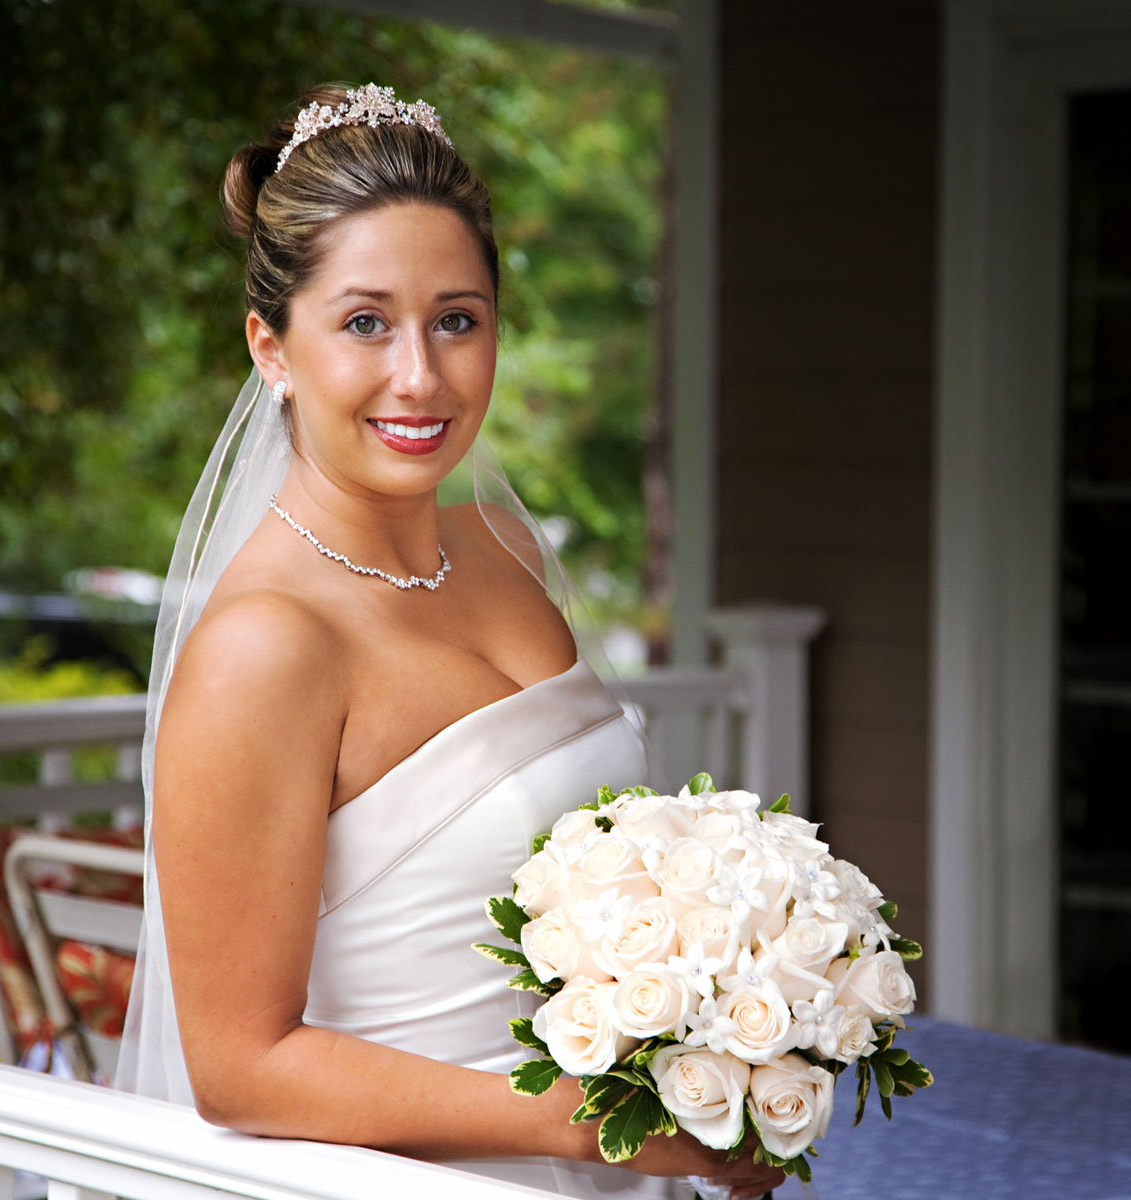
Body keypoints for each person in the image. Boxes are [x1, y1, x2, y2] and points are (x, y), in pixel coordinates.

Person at [114, 83, 785, 1200]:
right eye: (365, 322)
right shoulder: (264, 648)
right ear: (271, 347)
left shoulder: (505, 545)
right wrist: (580, 1127)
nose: (420, 376)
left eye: (456, 320)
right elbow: (239, 1069)